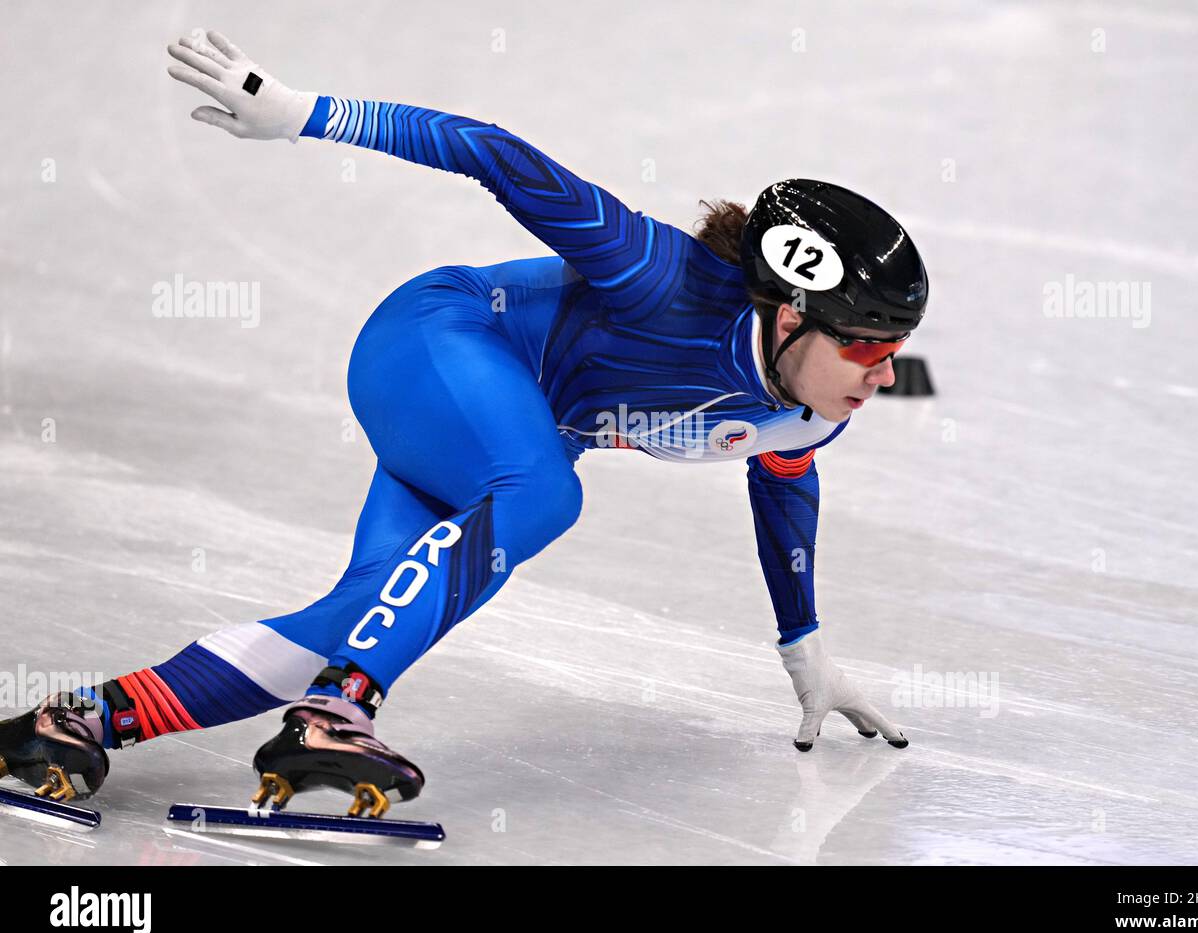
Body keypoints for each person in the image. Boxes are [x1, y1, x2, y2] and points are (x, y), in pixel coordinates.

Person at [0, 30, 925, 817]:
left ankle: (78, 720)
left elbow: (784, 499)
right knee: (544, 494)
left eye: (897, 350)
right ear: (793, 313)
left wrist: (804, 648)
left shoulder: (809, 418)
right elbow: (492, 150)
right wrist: (302, 112)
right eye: (866, 346)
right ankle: (336, 716)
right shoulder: (657, 274)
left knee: (362, 612)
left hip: (493, 432)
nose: (884, 375)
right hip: (438, 338)